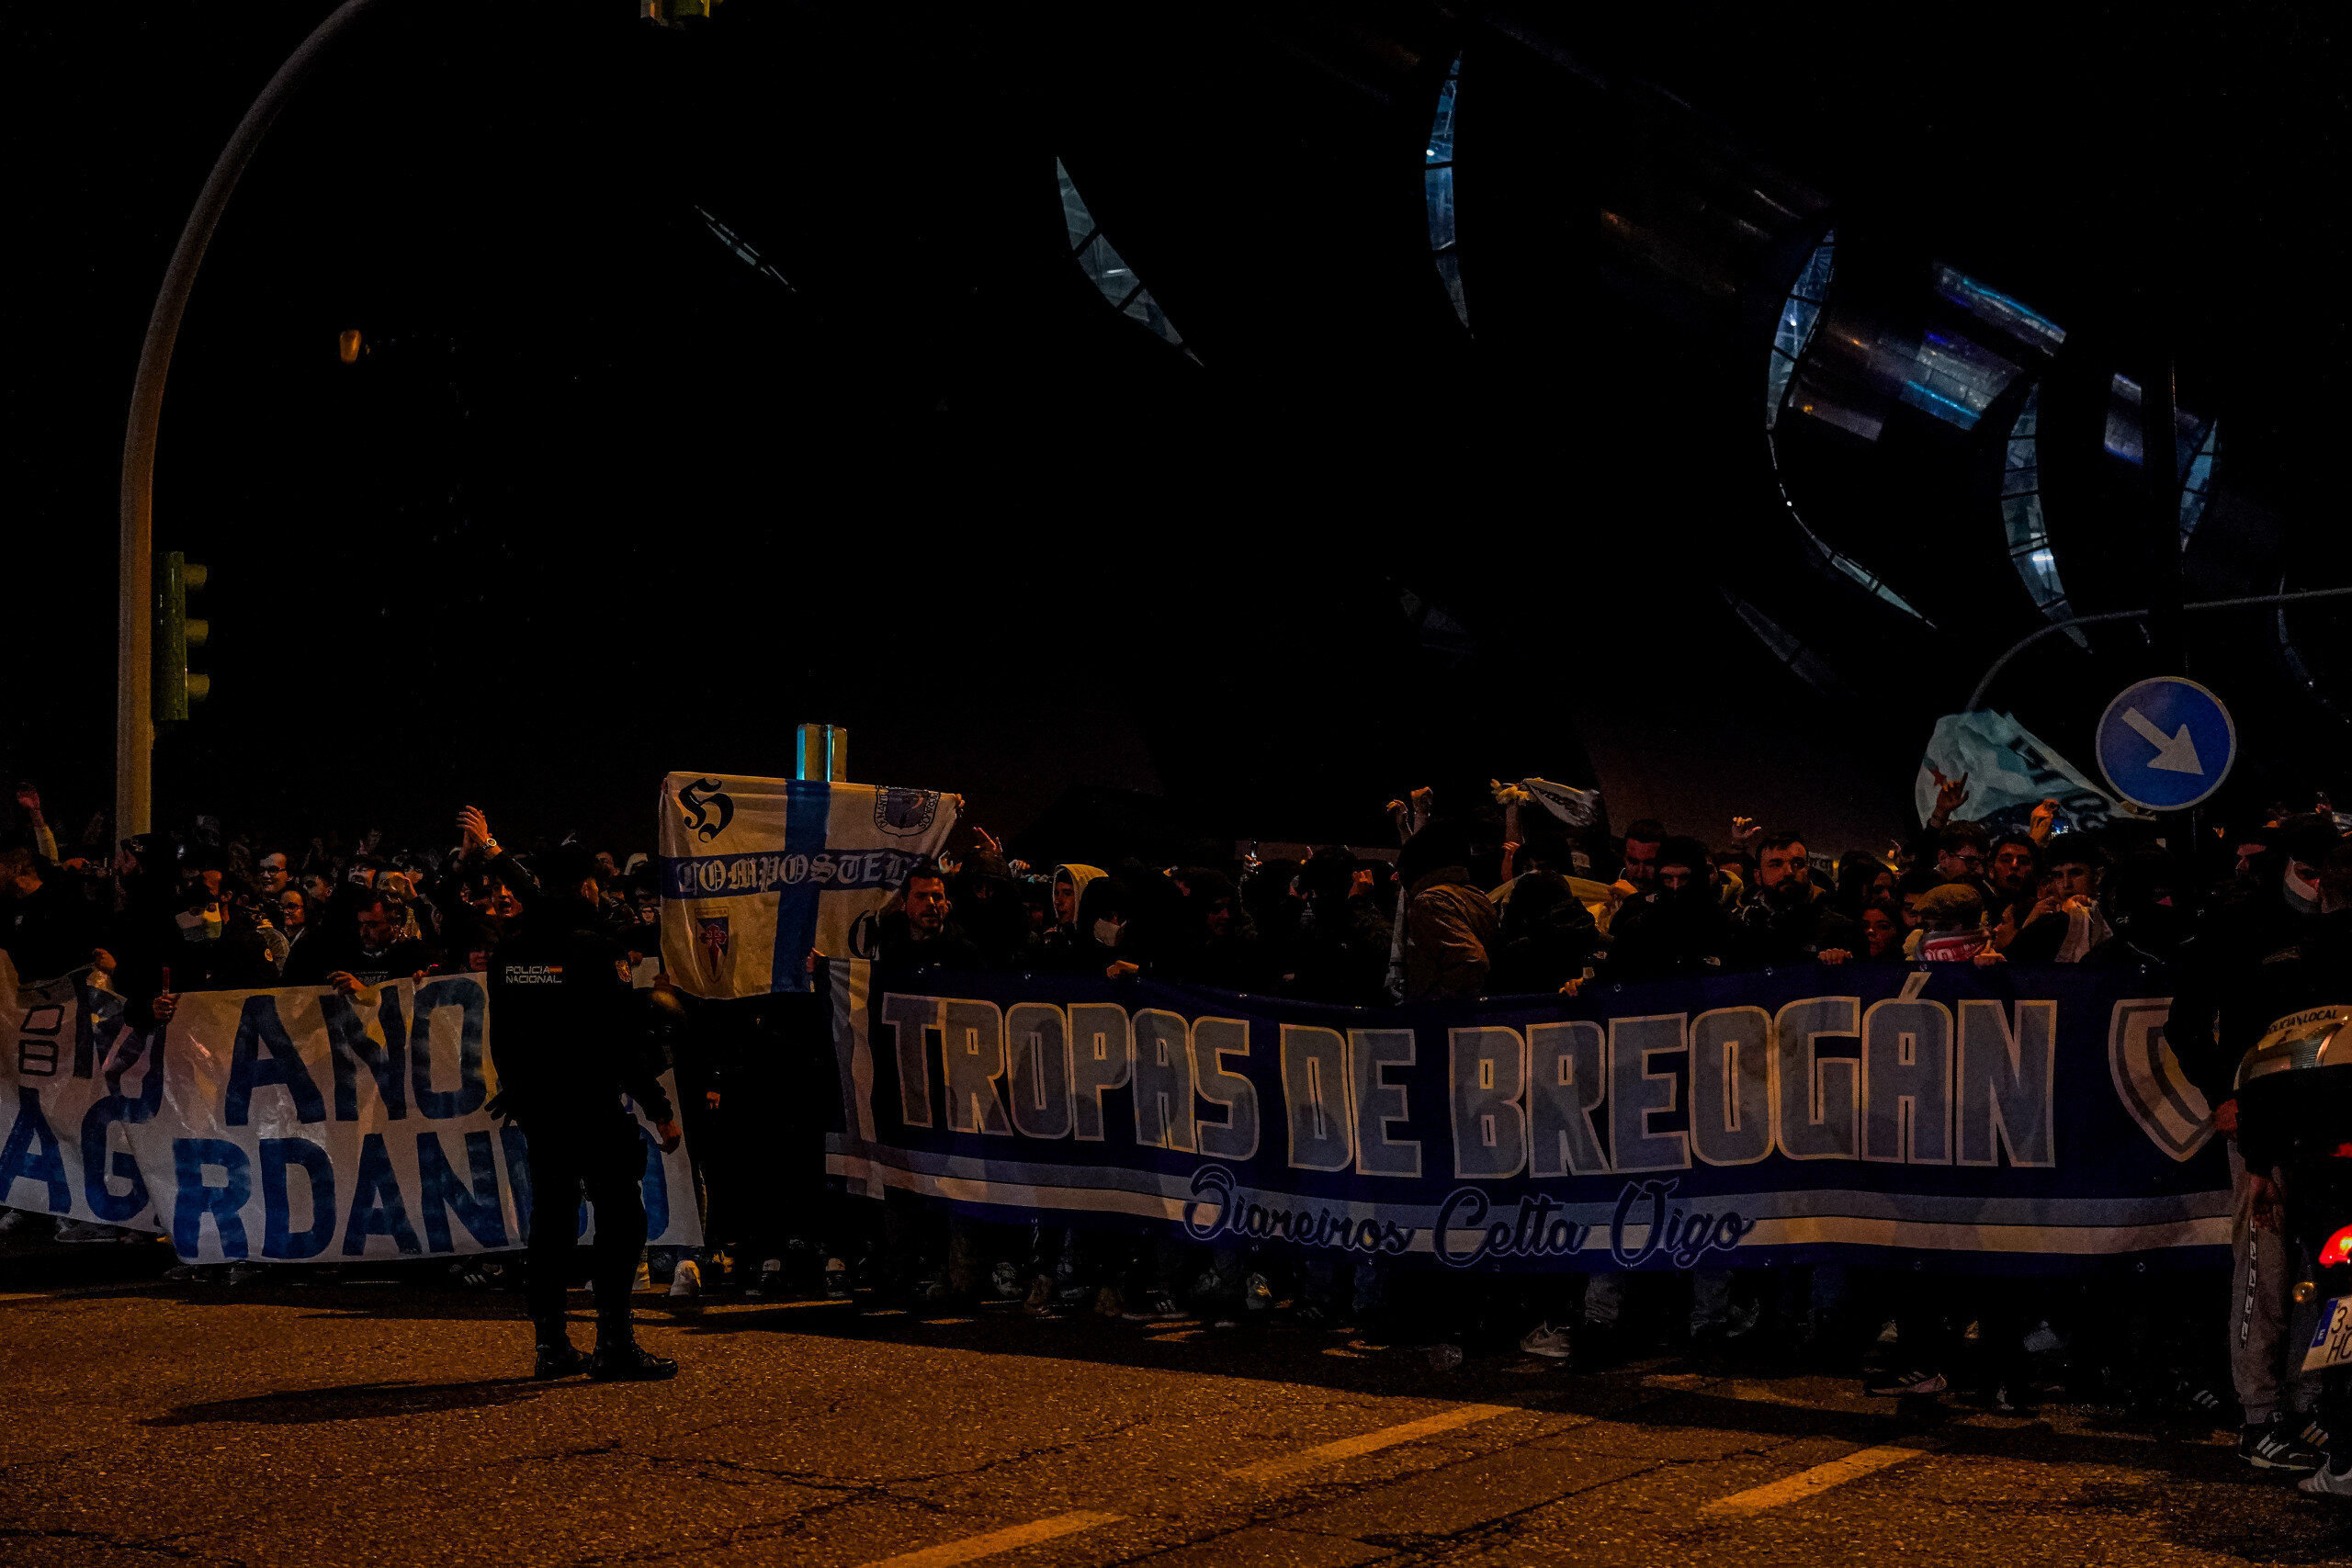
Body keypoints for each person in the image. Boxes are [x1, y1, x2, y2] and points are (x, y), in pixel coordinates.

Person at [462, 806, 684, 1382]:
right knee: (620, 1220)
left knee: (552, 1224)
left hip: (541, 1110)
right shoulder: (594, 951)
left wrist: (520, 1092)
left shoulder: (510, 953)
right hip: (591, 1106)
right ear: (587, 886)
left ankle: (551, 1345)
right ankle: (615, 1343)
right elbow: (617, 1041)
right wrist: (658, 1107)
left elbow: (503, 1036)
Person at [1396, 823, 1496, 1001]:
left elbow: (1472, 962)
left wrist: (1433, 1003)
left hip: (1445, 1016)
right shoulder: (1474, 895)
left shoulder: (1429, 902)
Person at [1730, 832, 1857, 966]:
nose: (1789, 872)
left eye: (1798, 864)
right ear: (1758, 876)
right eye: (1776, 864)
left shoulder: (1841, 930)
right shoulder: (1739, 927)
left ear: (1808, 871)